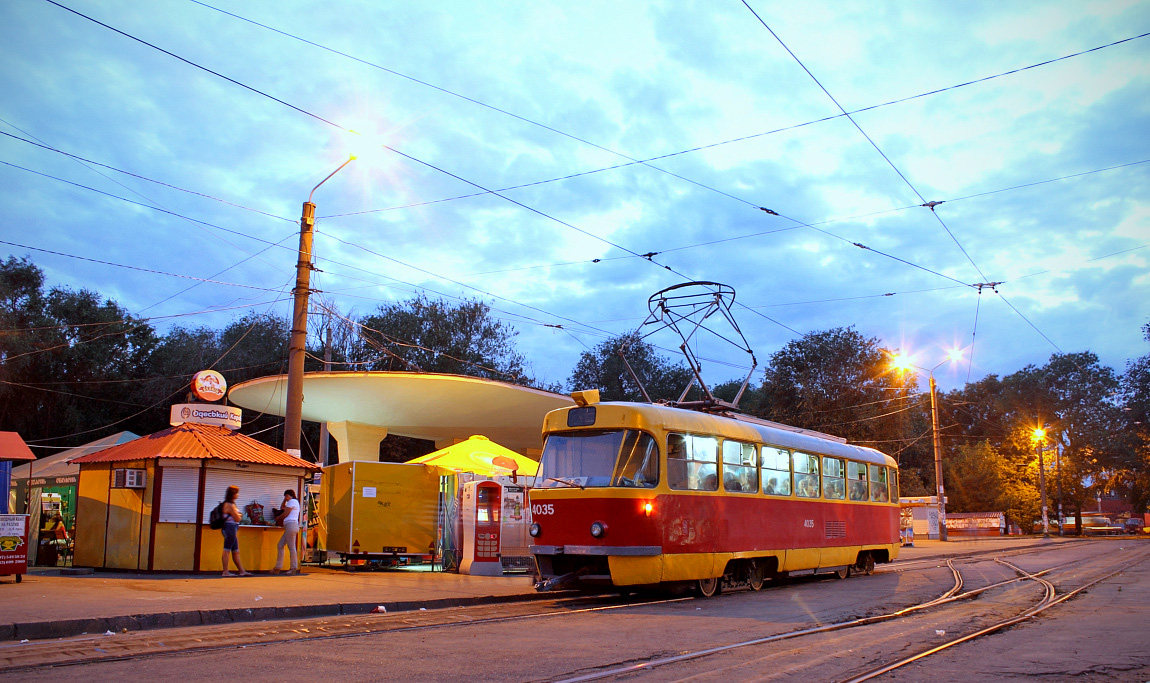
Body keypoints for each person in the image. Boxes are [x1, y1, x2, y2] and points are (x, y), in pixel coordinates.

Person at [221, 485, 251, 577]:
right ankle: (225, 571)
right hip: (230, 528)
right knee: (227, 549)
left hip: (232, 528)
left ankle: (242, 571)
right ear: (232, 494)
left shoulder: (230, 504)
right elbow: (237, 518)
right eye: (236, 493)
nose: (238, 495)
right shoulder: (229, 505)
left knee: (235, 550)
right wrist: (239, 515)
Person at [271, 489, 301, 575]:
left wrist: (278, 518)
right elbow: (282, 507)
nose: (285, 498)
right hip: (289, 526)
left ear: (288, 495)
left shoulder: (292, 501)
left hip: (291, 525)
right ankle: (278, 567)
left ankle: (293, 568)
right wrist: (284, 500)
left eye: (285, 496)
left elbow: (285, 514)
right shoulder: (292, 502)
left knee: (291, 547)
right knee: (280, 545)